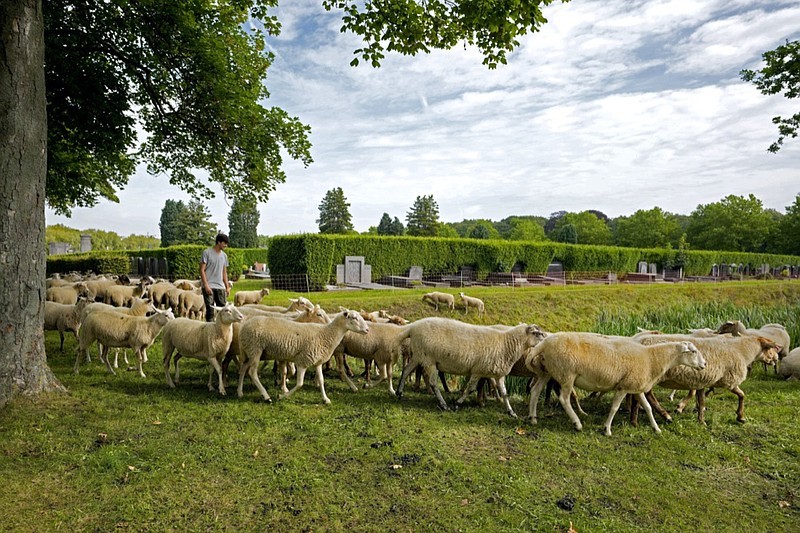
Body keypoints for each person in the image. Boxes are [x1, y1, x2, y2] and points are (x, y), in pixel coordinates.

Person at [200, 233, 231, 322]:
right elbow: (202, 270)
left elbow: (224, 272)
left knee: (223, 310)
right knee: (210, 310)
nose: (226, 245)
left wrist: (227, 287)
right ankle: (209, 332)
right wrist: (206, 285)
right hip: (209, 285)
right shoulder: (206, 253)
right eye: (224, 243)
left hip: (220, 287)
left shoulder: (224, 256)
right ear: (218, 242)